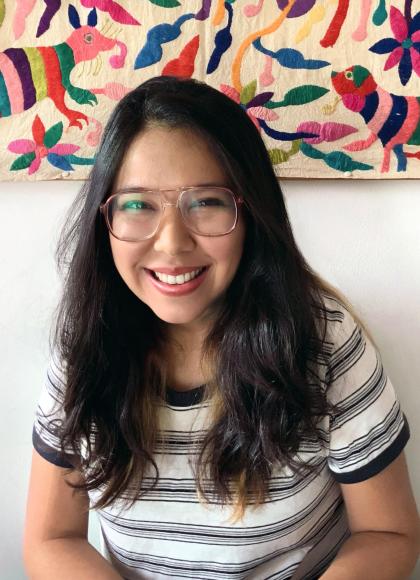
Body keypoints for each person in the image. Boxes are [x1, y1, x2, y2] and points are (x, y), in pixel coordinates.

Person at [23, 76, 419, 579]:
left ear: (250, 212)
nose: (172, 243)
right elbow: (51, 538)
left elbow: (388, 533)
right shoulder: (83, 345)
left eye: (206, 202)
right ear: (106, 220)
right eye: (138, 204)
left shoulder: (324, 342)